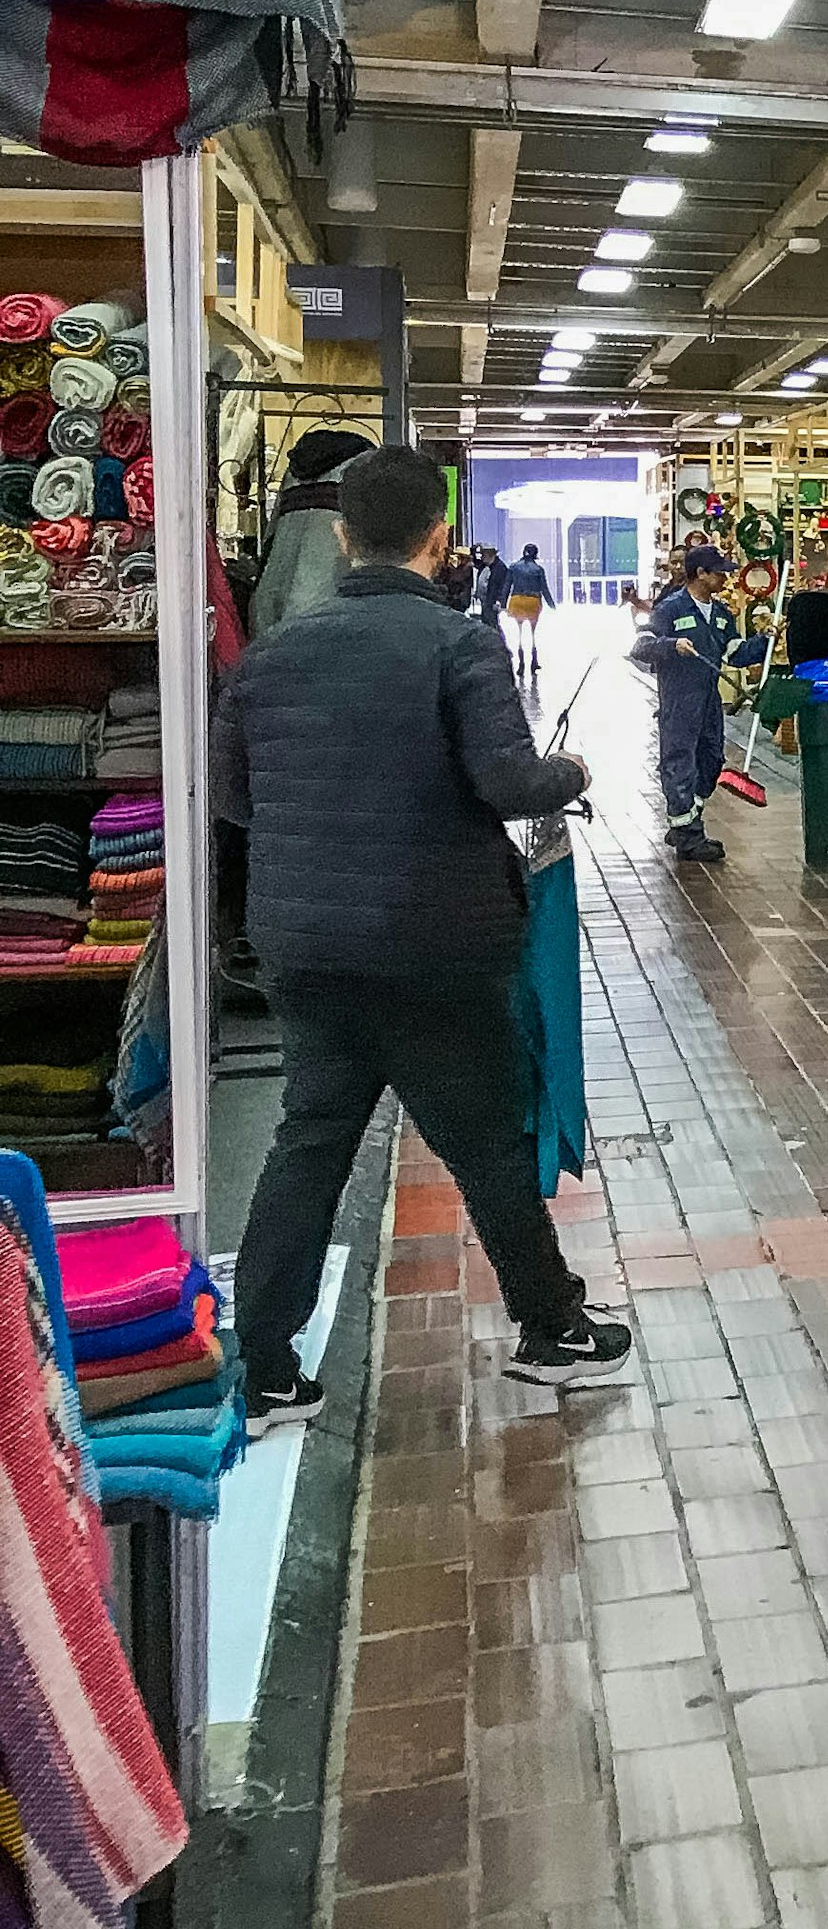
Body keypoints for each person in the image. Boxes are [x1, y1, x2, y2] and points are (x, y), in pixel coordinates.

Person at [213, 445, 631, 1419]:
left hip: (306, 948)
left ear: (346, 536)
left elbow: (233, 797)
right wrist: (569, 772)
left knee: (308, 1141)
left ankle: (267, 1366)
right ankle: (553, 1327)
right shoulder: (457, 644)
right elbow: (507, 781)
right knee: (487, 1141)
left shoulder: (272, 653)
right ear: (440, 536)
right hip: (433, 947)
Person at [643, 544, 741, 863]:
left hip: (710, 699)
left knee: (712, 759)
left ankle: (685, 818)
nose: (725, 577)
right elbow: (640, 645)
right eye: (719, 572)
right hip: (680, 701)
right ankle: (688, 836)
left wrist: (766, 642)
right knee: (680, 762)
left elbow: (735, 652)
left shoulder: (722, 614)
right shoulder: (671, 609)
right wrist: (672, 645)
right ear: (700, 574)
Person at [244, 427, 374, 640]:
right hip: (327, 605)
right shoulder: (360, 470)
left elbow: (270, 537)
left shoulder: (293, 473)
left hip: (273, 593)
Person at [502, 538, 550, 684]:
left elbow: (506, 586)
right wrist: (552, 604)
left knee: (519, 634)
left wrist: (503, 603)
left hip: (516, 600)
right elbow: (544, 589)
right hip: (533, 601)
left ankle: (521, 664)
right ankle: (534, 662)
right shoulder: (538, 570)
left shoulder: (513, 567)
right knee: (533, 634)